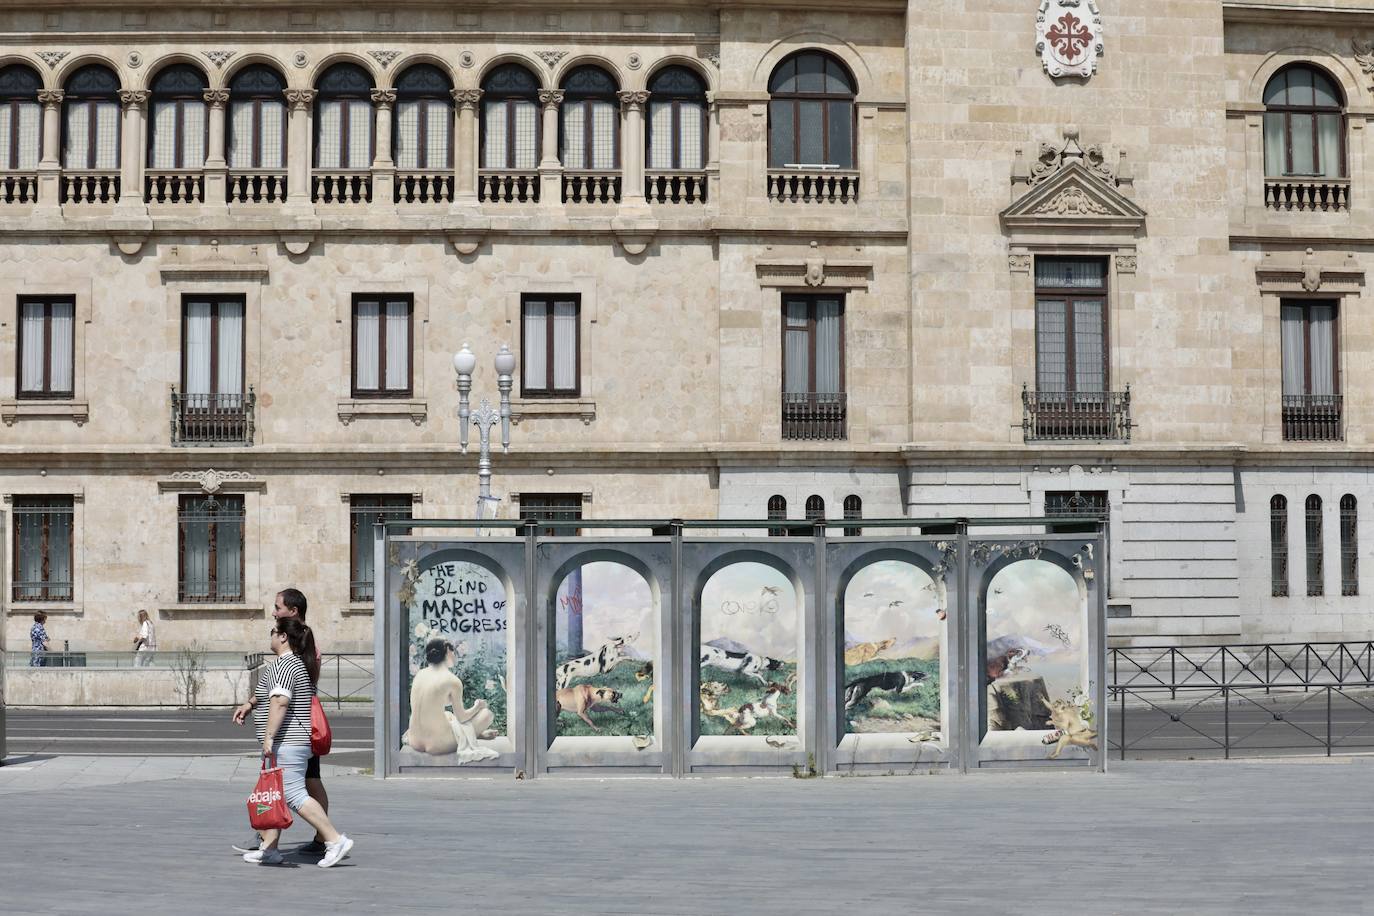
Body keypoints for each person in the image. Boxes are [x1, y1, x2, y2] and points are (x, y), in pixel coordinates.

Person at [234, 617, 353, 867]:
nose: (270, 636)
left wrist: (269, 737)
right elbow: (267, 693)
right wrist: (249, 705)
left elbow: (280, 702)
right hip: (292, 742)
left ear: (283, 637)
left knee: (294, 794)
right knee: (274, 793)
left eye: (273, 632)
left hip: (288, 742)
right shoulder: (293, 664)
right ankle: (270, 848)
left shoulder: (285, 665)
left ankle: (334, 839)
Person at [232, 588, 331, 856]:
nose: (274, 612)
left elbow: (285, 692)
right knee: (292, 783)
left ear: (293, 612)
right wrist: (252, 703)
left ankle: (327, 838)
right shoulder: (289, 650)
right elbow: (273, 685)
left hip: (294, 730)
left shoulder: (301, 647)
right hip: (291, 730)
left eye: (278, 607)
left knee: (302, 785)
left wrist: (270, 735)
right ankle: (270, 842)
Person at [402, 639, 498, 761]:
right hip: (438, 744)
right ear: (447, 651)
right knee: (487, 714)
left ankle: (477, 735)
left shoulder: (420, 674)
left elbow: (438, 701)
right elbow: (462, 717)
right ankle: (474, 734)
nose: (455, 655)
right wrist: (477, 706)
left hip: (415, 740)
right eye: (453, 652)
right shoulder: (452, 680)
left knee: (447, 714)